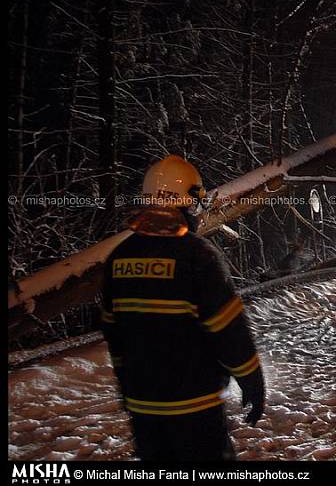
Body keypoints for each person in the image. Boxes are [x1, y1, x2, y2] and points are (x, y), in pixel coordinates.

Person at [100, 154, 265, 461]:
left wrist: (127, 387)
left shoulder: (118, 258)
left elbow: (114, 336)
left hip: (144, 411)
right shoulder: (198, 256)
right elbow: (229, 330)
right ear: (186, 203)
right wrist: (252, 380)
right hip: (195, 407)